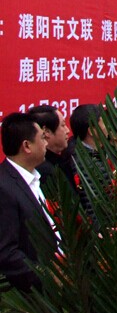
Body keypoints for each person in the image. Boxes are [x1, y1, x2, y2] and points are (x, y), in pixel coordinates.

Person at [0, 113, 56, 292]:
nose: (46, 143)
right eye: (42, 138)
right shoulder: (4, 187)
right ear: (27, 146)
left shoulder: (39, 177)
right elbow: (7, 252)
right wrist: (48, 277)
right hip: (34, 294)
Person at [28, 105, 72, 186]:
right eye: (63, 125)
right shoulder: (44, 171)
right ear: (46, 132)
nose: (67, 130)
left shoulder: (65, 159)